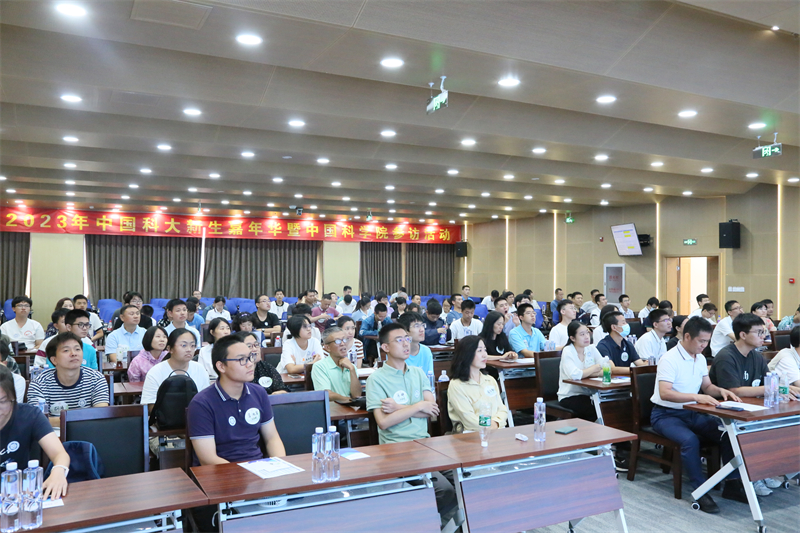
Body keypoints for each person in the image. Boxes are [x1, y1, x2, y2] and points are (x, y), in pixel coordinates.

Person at [365, 323, 457, 525]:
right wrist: (419, 406)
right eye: (399, 340)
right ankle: (419, 525)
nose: (406, 343)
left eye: (407, 338)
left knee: (465, 480)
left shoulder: (417, 373)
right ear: (385, 347)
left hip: (425, 445)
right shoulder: (376, 379)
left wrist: (399, 408)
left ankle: (435, 525)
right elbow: (384, 422)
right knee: (444, 490)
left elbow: (432, 411)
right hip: (396, 449)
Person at [650, 317, 743, 512]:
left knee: (728, 434)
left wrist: (721, 391)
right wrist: (696, 397)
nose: (704, 345)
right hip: (666, 415)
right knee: (690, 440)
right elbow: (665, 393)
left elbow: (707, 387)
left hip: (691, 412)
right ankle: (701, 491)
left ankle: (733, 484)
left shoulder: (700, 358)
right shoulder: (669, 359)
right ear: (687, 337)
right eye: (701, 341)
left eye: (707, 341)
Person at [710, 313, 795, 497]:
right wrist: (771, 388)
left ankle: (764, 472)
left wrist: (784, 390)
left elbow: (767, 383)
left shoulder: (757, 357)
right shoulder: (727, 356)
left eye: (763, 331)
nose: (763, 336)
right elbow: (735, 390)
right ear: (742, 335)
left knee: (778, 426)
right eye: (758, 332)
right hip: (723, 411)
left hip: (752, 408)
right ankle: (745, 479)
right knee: (746, 431)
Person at [188, 335, 286, 466]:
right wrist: (245, 473)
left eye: (250, 357)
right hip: (221, 472)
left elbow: (272, 439)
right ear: (221, 366)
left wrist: (280, 465)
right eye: (242, 360)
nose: (250, 364)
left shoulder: (259, 393)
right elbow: (207, 458)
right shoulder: (201, 403)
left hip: (258, 467)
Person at [0, 365, 70, 499]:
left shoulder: (29, 415)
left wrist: (59, 471)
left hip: (23, 495)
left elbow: (60, 454)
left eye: (3, 401)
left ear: (13, 398)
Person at [28, 332, 109, 425]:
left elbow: (101, 414)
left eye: (77, 349)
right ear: (54, 360)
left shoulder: (96, 379)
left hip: (88, 431)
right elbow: (37, 420)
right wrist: (82, 419)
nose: (73, 354)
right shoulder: (39, 383)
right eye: (66, 350)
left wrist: (58, 421)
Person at [447, 335, 509, 433]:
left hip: (496, 431)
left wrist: (496, 423)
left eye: (485, 350)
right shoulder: (456, 385)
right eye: (479, 351)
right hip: (470, 434)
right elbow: (469, 419)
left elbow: (502, 410)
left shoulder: (490, 380)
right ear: (467, 354)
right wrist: (489, 426)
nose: (485, 355)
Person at [141, 328, 209, 406]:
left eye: (192, 345)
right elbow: (150, 406)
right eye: (184, 345)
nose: (189, 349)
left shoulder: (200, 369)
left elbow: (206, 400)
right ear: (170, 349)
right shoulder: (155, 372)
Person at [557, 322, 611, 421]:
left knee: (610, 405)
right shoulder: (568, 351)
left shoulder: (591, 348)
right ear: (572, 338)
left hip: (590, 394)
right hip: (570, 396)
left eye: (587, 333)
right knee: (595, 409)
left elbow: (605, 367)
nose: (587, 337)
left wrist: (589, 372)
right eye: (582, 334)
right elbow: (575, 375)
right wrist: (594, 368)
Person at [312, 327, 363, 402]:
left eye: (344, 339)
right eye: (338, 341)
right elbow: (327, 394)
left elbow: (357, 395)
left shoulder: (350, 366)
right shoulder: (319, 366)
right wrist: (351, 400)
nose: (343, 344)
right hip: (333, 408)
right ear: (327, 348)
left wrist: (352, 369)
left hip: (351, 407)